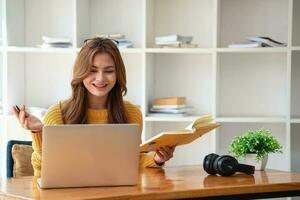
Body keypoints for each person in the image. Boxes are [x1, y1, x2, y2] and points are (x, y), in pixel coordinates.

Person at [13, 37, 176, 177]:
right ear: (81, 72)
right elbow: (43, 172)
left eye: (109, 71)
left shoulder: (132, 113)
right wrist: (39, 132)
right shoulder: (57, 114)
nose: (100, 78)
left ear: (118, 74)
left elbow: (133, 162)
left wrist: (157, 159)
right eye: (92, 70)